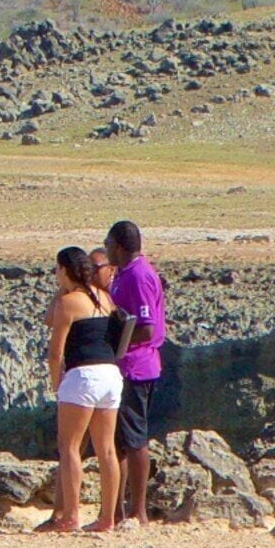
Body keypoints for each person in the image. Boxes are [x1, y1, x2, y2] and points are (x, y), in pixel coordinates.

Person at [46, 244, 125, 533]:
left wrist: (58, 384)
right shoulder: (104, 298)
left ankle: (71, 515)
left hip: (83, 375)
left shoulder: (68, 304)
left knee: (69, 447)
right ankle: (107, 518)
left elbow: (56, 353)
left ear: (64, 270)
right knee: (106, 449)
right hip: (111, 374)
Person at [103, 219, 168, 523]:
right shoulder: (123, 274)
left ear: (118, 245)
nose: (105, 251)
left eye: (107, 245)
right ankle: (115, 511)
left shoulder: (138, 276)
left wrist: (116, 343)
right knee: (117, 441)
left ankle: (138, 510)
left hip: (136, 366)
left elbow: (145, 327)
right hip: (123, 366)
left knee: (135, 438)